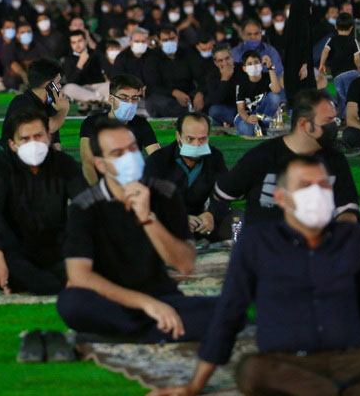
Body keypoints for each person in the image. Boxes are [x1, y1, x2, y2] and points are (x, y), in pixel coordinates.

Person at [151, 155, 360, 396]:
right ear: (281, 197)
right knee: (252, 371)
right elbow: (229, 313)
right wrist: (195, 385)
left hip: (351, 358)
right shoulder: (257, 243)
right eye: (305, 186)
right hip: (288, 363)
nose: (316, 193)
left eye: (323, 185)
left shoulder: (352, 239)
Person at [56, 117, 216, 342]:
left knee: (226, 310)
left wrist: (148, 220)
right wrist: (146, 304)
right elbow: (79, 275)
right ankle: (157, 329)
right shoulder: (84, 206)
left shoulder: (165, 193)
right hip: (109, 297)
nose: (129, 158)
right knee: (71, 303)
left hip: (160, 293)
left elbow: (185, 264)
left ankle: (113, 335)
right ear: (101, 164)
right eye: (118, 153)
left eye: (132, 149)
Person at [215, 90, 360, 253]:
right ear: (304, 124)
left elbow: (348, 211)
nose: (334, 126)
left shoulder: (335, 159)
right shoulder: (263, 156)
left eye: (335, 119)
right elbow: (223, 192)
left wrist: (340, 237)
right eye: (328, 120)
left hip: (320, 247)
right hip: (270, 247)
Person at [0, 109, 87, 295]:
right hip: (13, 247)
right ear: (13, 144)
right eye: (25, 139)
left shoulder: (64, 163)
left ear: (49, 137)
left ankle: (62, 280)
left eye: (38, 136)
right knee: (5, 272)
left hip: (56, 247)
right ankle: (65, 282)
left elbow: (86, 204)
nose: (33, 143)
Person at [144, 113, 232, 241]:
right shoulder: (158, 160)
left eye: (202, 139)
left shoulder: (214, 158)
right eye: (190, 139)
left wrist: (211, 214)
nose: (196, 145)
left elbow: (223, 191)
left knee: (237, 219)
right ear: (178, 136)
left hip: (201, 223)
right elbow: (147, 201)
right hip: (167, 223)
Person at [79, 74, 160, 184]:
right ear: (111, 100)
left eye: (134, 98)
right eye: (124, 98)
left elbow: (157, 158)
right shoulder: (92, 123)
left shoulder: (141, 124)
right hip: (102, 184)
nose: (130, 103)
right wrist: (98, 190)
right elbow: (88, 163)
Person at [0, 58, 69, 149]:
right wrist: (64, 110)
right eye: (58, 83)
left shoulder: (49, 104)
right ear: (49, 85)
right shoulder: (22, 102)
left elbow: (55, 142)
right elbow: (48, 127)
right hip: (14, 155)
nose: (60, 87)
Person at [145, 24, 205, 117]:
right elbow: (152, 86)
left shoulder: (188, 53)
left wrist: (200, 93)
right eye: (165, 40)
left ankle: (189, 112)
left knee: (207, 97)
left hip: (188, 95)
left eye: (172, 38)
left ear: (177, 38)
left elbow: (202, 77)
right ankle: (189, 114)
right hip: (165, 97)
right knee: (154, 102)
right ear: (159, 41)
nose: (169, 42)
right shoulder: (152, 57)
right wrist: (174, 92)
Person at [317, 12, 360, 117]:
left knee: (341, 97)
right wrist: (357, 68)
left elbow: (325, 51)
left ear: (336, 26)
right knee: (352, 97)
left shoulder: (332, 40)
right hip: (351, 72)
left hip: (337, 75)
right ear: (351, 27)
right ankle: (352, 117)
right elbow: (357, 57)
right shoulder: (353, 40)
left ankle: (343, 117)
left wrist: (322, 64)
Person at [233, 49, 285, 136]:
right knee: (245, 129)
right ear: (244, 68)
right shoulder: (241, 84)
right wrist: (247, 118)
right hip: (247, 115)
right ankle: (263, 130)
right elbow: (240, 109)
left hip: (262, 115)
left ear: (261, 64)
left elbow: (276, 90)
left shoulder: (267, 77)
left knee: (275, 97)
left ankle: (265, 126)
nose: (254, 66)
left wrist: (270, 67)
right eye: (250, 64)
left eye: (256, 62)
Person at [61, 30, 110, 105]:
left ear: (85, 41)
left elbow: (108, 70)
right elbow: (71, 82)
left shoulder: (96, 53)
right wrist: (80, 64)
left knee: (113, 86)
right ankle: (100, 100)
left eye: (79, 41)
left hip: (99, 87)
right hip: (81, 89)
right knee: (68, 88)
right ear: (71, 44)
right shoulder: (68, 59)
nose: (77, 45)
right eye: (74, 42)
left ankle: (95, 100)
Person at [205, 44, 242, 127]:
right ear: (215, 63)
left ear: (232, 57)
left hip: (244, 109)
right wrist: (225, 79)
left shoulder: (242, 69)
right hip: (227, 111)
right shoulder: (212, 76)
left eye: (227, 59)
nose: (225, 63)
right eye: (220, 61)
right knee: (214, 111)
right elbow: (215, 101)